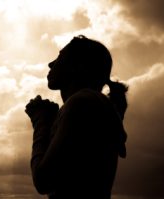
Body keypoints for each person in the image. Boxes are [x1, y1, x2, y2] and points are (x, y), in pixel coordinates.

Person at [25, 35, 128, 199]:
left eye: (60, 58)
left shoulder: (81, 103)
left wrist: (41, 122)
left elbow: (43, 180)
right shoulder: (90, 103)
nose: (51, 64)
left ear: (79, 67)